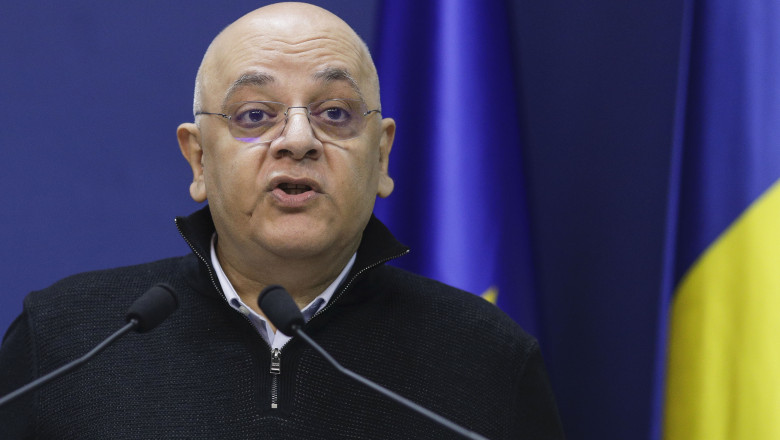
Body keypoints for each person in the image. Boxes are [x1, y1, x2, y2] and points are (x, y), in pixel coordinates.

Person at [0, 2, 564, 438]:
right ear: (199, 159)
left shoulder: (487, 357)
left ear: (382, 156)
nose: (298, 140)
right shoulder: (66, 340)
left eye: (335, 113)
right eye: (255, 115)